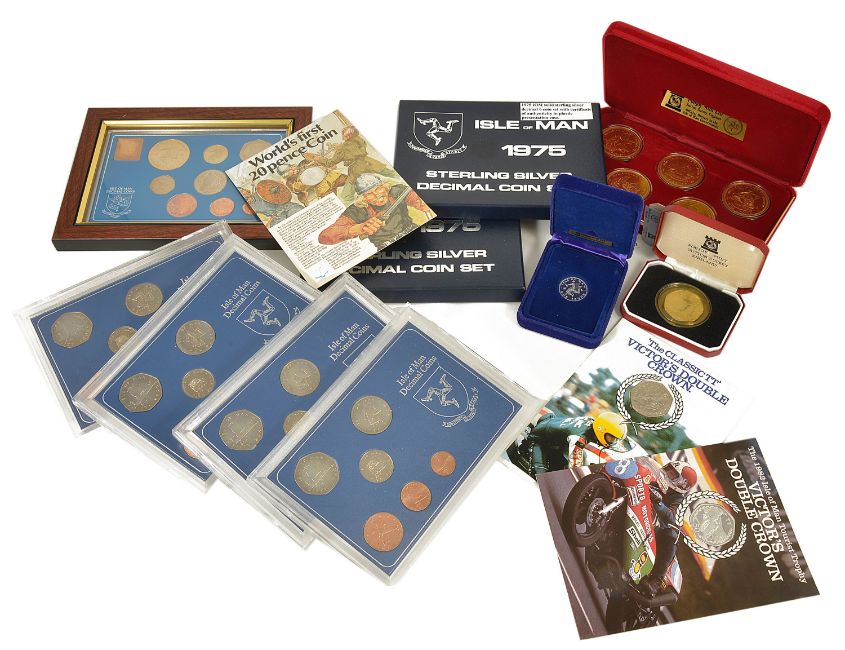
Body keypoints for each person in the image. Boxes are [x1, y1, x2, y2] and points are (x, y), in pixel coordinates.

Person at [317, 174, 429, 249]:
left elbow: (415, 198)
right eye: (369, 194)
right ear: (363, 198)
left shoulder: (398, 191)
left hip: (412, 231)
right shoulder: (356, 210)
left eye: (378, 189)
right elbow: (324, 237)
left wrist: (421, 202)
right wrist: (360, 228)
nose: (376, 195)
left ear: (385, 186)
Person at [507, 410, 631, 477]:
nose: (613, 442)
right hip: (540, 440)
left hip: (555, 437)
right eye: (611, 438)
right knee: (542, 478)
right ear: (601, 430)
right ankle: (526, 449)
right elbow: (575, 466)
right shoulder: (579, 437)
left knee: (563, 466)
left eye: (616, 439)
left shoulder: (593, 422)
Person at [639, 460, 699, 597]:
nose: (667, 473)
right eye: (669, 469)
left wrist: (658, 503)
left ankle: (656, 581)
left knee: (673, 535)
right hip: (640, 515)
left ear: (682, 484)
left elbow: (672, 517)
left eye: (673, 474)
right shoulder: (657, 481)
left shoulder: (679, 500)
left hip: (657, 529)